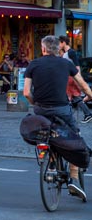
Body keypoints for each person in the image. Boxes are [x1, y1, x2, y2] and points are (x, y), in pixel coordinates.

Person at [23, 35, 92, 200]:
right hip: (62, 109)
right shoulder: (66, 64)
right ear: (58, 49)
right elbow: (81, 83)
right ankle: (74, 178)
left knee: (45, 131)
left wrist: (36, 104)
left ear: (44, 48)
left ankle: (51, 163)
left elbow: (26, 92)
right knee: (74, 136)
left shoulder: (33, 64)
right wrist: (89, 95)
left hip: (40, 109)